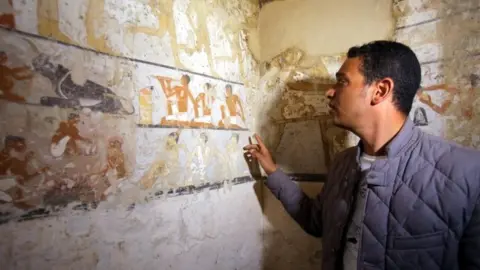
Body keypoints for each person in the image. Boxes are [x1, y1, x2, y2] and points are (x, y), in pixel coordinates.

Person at [244, 40, 480, 270]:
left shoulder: (466, 172)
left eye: (342, 82)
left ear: (380, 90)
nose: (329, 92)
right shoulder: (343, 163)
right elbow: (316, 222)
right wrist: (273, 171)